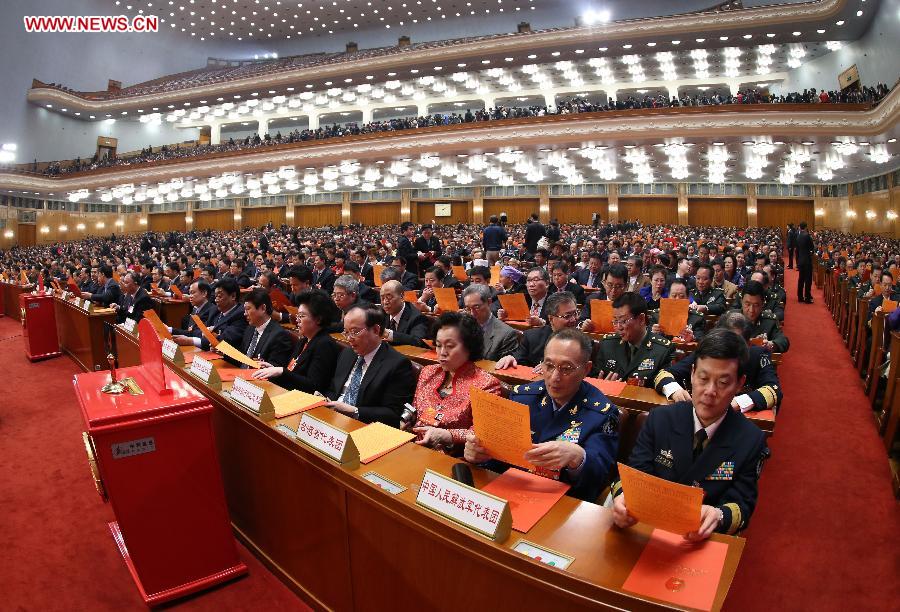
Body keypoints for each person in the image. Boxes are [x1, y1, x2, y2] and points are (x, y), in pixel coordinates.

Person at [611, 329, 770, 538]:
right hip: (649, 528)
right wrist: (623, 499)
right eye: (703, 378)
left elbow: (742, 505)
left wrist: (719, 514)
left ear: (740, 384)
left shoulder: (750, 440)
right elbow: (635, 473)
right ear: (692, 373)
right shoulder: (660, 419)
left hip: (700, 537)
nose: (710, 391)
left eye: (723, 383)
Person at [464, 328, 620, 501]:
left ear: (586, 369)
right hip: (512, 490)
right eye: (549, 365)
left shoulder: (602, 412)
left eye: (566, 369)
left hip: (563, 501)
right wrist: (478, 455)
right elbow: (498, 459)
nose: (554, 377)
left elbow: (598, 476)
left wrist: (578, 458)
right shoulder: (523, 397)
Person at [408, 312, 503, 453]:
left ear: (469, 347)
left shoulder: (486, 384)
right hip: (415, 448)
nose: (442, 352)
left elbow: (483, 435)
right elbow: (415, 411)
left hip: (454, 457)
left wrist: (448, 435)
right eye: (438, 345)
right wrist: (407, 420)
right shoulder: (428, 372)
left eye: (450, 346)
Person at [654, 311, 783, 413]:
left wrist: (739, 402)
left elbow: (773, 389)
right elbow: (664, 374)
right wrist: (674, 390)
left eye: (734, 342)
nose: (726, 348)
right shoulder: (708, 352)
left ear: (747, 344)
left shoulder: (758, 355)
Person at [325, 303, 416, 426]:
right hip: (332, 419)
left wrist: (355, 411)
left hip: (363, 426)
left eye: (354, 332)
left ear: (376, 330)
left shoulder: (397, 364)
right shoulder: (347, 353)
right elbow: (334, 389)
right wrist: (324, 400)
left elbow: (393, 414)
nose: (349, 338)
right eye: (346, 332)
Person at [254, 290, 343, 394]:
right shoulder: (304, 340)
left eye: (301, 316)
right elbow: (292, 371)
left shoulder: (325, 345)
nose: (297, 320)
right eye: (297, 316)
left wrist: (282, 372)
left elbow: (314, 386)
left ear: (318, 319)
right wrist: (274, 369)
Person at [593, 292, 675, 385]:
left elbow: (664, 386)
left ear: (641, 319)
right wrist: (604, 386)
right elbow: (596, 380)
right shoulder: (608, 344)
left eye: (623, 321)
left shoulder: (662, 350)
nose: (619, 327)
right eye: (615, 321)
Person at [496, 291, 578, 370]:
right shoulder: (531, 337)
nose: (573, 319)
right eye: (567, 316)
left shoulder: (584, 342)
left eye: (575, 313)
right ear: (551, 319)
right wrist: (510, 359)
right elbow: (519, 361)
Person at [223, 288, 294, 367]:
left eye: (248, 309)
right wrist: (224, 353)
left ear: (263, 308)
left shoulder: (279, 336)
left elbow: (275, 370)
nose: (245, 314)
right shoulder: (250, 329)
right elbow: (243, 360)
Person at [173, 278, 248, 349]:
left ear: (233, 296)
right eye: (215, 296)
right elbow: (197, 330)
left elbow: (224, 340)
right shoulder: (215, 310)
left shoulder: (241, 314)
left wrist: (192, 341)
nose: (216, 300)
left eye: (219, 296)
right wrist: (205, 333)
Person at [461, 284, 519, 361]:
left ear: (489, 302)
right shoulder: (461, 327)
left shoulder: (506, 335)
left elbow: (502, 370)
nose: (472, 313)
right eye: (468, 308)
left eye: (476, 307)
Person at [740, 280, 790, 353]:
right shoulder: (730, 319)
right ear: (741, 301)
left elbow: (783, 341)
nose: (751, 310)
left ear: (762, 304)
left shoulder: (769, 321)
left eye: (756, 305)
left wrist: (771, 345)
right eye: (747, 304)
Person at [380, 280, 429, 347]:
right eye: (382, 298)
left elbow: (418, 341)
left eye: (389, 297)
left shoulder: (417, 317)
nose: (385, 302)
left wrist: (389, 334)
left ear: (402, 297)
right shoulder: (380, 313)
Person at [796, 220, 814, 303]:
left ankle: (800, 297)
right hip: (807, 261)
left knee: (801, 279)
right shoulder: (807, 235)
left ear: (800, 227)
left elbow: (798, 249)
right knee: (808, 279)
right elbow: (812, 247)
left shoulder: (798, 236)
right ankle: (807, 297)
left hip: (800, 260)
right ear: (806, 227)